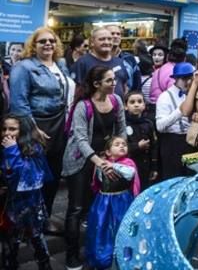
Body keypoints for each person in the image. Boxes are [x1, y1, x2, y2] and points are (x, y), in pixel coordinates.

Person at [62, 65, 126, 270]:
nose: (114, 83)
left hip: (107, 160)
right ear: (97, 84)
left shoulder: (116, 101)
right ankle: (71, 255)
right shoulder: (84, 106)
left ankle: (95, 249)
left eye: (114, 79)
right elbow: (80, 138)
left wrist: (117, 156)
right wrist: (100, 162)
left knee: (97, 207)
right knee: (76, 208)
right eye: (109, 80)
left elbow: (122, 131)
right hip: (82, 161)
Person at [9, 27, 75, 220]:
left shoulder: (60, 64)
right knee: (33, 176)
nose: (48, 44)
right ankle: (25, 222)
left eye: (52, 41)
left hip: (59, 125)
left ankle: (44, 218)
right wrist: (32, 129)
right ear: (33, 45)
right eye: (43, 41)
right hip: (36, 125)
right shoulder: (24, 67)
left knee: (53, 176)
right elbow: (18, 103)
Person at [0, 115, 53, 270]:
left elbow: (26, 178)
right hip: (11, 206)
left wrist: (12, 150)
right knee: (10, 244)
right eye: (4, 129)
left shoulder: (33, 149)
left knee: (38, 241)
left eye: (12, 129)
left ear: (22, 131)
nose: (7, 133)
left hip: (31, 205)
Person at [85, 136, 139, 270]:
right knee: (101, 226)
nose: (122, 146)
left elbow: (130, 174)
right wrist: (103, 165)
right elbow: (98, 179)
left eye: (124, 144)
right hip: (103, 202)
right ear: (108, 152)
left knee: (121, 226)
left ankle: (122, 256)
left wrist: (113, 165)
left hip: (122, 201)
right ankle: (102, 257)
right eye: (117, 144)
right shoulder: (101, 164)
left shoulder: (128, 163)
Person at [155, 62, 193, 180]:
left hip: (189, 141)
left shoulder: (191, 94)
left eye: (190, 78)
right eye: (184, 78)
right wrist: (179, 112)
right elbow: (160, 126)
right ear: (176, 79)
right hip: (171, 143)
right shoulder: (164, 97)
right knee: (173, 180)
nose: (188, 82)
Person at [71, 27, 129, 97]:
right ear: (92, 42)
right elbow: (75, 90)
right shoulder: (82, 63)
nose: (107, 42)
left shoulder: (119, 62)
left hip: (118, 106)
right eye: (102, 39)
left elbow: (124, 87)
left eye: (109, 39)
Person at [124, 91, 157, 190]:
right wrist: (136, 146)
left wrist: (154, 167)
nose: (136, 105)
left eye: (139, 102)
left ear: (144, 105)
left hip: (145, 165)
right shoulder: (123, 124)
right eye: (132, 102)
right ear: (125, 106)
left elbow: (154, 146)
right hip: (129, 165)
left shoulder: (148, 123)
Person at [149, 38, 187, 105]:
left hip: (154, 105)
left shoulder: (158, 70)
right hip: (165, 107)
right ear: (184, 59)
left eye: (160, 55)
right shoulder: (175, 72)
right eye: (154, 54)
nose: (156, 57)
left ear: (167, 56)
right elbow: (174, 95)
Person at [107, 25, 141, 92]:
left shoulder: (129, 59)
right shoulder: (99, 58)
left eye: (118, 34)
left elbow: (137, 82)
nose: (116, 36)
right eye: (112, 33)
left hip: (126, 99)